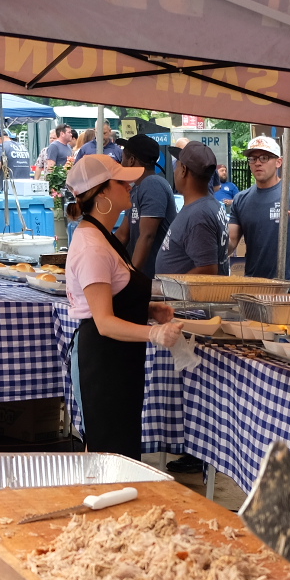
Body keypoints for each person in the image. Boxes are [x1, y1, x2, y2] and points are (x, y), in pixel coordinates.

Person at [63, 152, 180, 459]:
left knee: (117, 452)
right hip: (104, 363)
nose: (130, 185)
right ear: (101, 193)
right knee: (109, 455)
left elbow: (113, 297)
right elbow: (104, 321)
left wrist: (147, 310)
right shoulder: (92, 246)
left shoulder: (104, 237)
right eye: (120, 181)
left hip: (120, 361)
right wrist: (154, 333)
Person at [228, 134, 290, 283]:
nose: (258, 163)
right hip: (254, 286)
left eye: (264, 158)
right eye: (253, 158)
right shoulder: (241, 199)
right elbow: (231, 243)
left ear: (279, 162)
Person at [157, 142, 226, 276]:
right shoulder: (208, 205)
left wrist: (173, 286)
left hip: (183, 291)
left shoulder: (199, 215)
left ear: (183, 169)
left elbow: (208, 270)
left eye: (177, 165)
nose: (175, 170)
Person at [120, 134, 175, 279]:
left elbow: (147, 236)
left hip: (153, 279)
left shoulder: (152, 184)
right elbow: (123, 234)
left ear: (131, 160)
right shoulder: (137, 188)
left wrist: (132, 277)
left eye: (123, 158)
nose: (121, 163)